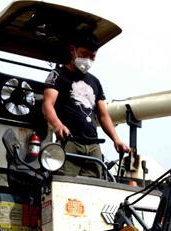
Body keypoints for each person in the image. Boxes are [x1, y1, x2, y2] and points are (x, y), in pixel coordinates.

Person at [42, 33, 131, 178]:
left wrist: (116, 139)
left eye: (92, 57)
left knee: (94, 185)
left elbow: (103, 115)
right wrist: (58, 126)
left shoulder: (95, 82)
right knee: (65, 182)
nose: (88, 60)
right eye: (84, 54)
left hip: (93, 145)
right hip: (70, 142)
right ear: (73, 50)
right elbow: (47, 104)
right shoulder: (58, 75)